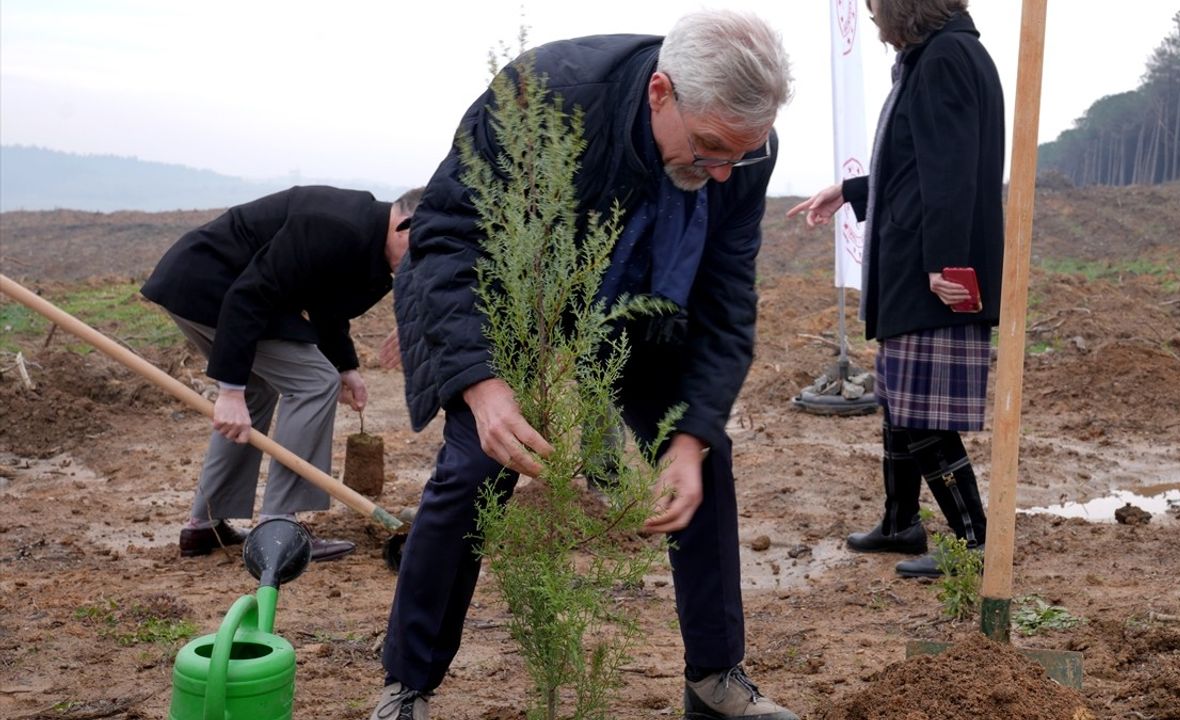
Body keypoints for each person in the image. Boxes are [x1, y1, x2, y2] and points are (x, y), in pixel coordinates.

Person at [373, 11, 798, 720]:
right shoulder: (547, 94)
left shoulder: (744, 152)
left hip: (640, 293)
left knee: (702, 454)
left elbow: (727, 299)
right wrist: (483, 387)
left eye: (741, 156)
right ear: (660, 93)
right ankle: (406, 687)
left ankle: (715, 680)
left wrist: (688, 438)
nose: (723, 171)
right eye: (710, 148)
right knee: (476, 466)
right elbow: (447, 237)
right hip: (515, 288)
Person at [787, 0, 1004, 578]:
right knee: (901, 400)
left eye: (878, 5)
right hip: (915, 262)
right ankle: (900, 522)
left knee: (924, 415)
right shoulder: (932, 55)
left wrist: (947, 264)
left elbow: (952, 171)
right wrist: (850, 190)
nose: (874, 19)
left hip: (931, 272)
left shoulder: (948, 58)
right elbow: (914, 160)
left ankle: (976, 544)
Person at [141, 184, 423, 562]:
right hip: (211, 288)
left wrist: (346, 367)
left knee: (257, 391)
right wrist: (228, 391)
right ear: (405, 224)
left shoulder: (364, 236)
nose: (422, 264)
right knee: (312, 383)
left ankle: (204, 525)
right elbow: (249, 294)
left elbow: (325, 301)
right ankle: (279, 526)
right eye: (422, 250)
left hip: (200, 286)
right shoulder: (337, 226)